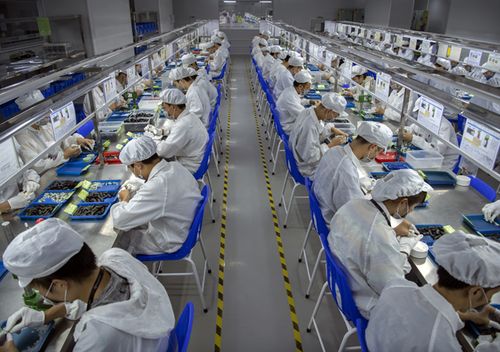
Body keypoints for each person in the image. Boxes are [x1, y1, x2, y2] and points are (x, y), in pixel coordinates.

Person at [1, 218, 175, 352]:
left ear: (60, 285)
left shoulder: (97, 335)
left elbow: (101, 315)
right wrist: (46, 316)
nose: (40, 294)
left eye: (38, 289)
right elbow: (94, 298)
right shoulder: (116, 257)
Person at [366, 231, 500, 352]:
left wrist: (463, 316)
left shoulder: (396, 287)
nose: (489, 301)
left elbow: (420, 317)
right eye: (492, 295)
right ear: (476, 292)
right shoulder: (440, 343)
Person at [328, 169, 432, 319]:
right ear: (403, 203)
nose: (410, 211)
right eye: (412, 207)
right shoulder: (380, 238)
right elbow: (393, 286)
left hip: (340, 282)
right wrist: (405, 246)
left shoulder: (353, 204)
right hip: (362, 303)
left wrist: (392, 231)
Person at [111, 136, 202, 254]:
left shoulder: (156, 187)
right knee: (136, 221)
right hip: (183, 226)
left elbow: (120, 221)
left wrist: (125, 199)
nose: (133, 173)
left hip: (170, 240)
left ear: (138, 166)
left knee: (120, 242)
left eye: (131, 169)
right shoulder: (175, 166)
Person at [313, 121, 393, 223]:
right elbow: (356, 215)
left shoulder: (335, 150)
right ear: (372, 147)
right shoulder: (347, 172)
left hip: (323, 205)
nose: (376, 156)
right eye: (379, 151)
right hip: (334, 221)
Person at [147, 89, 208, 173]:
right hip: (196, 157)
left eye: (165, 108)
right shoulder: (190, 115)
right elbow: (178, 130)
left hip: (189, 166)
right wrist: (163, 132)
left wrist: (152, 142)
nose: (165, 111)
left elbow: (164, 152)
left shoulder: (183, 125)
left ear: (173, 107)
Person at [289, 93, 349, 178]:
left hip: (300, 155)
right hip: (307, 168)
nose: (333, 119)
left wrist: (331, 129)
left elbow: (317, 132)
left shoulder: (309, 111)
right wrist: (331, 145)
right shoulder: (310, 126)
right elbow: (311, 158)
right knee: (340, 171)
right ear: (328, 111)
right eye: (335, 115)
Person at [15, 117, 94, 175]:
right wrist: (64, 155)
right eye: (43, 111)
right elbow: (37, 167)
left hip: (63, 167)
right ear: (31, 115)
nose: (47, 115)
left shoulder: (46, 125)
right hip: (47, 176)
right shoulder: (22, 138)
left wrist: (76, 140)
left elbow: (62, 139)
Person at [402, 98, 459, 170]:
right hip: (425, 157)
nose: (419, 114)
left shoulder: (444, 127)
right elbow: (412, 128)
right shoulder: (424, 119)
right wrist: (404, 130)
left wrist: (413, 138)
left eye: (420, 111)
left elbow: (436, 152)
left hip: (442, 165)